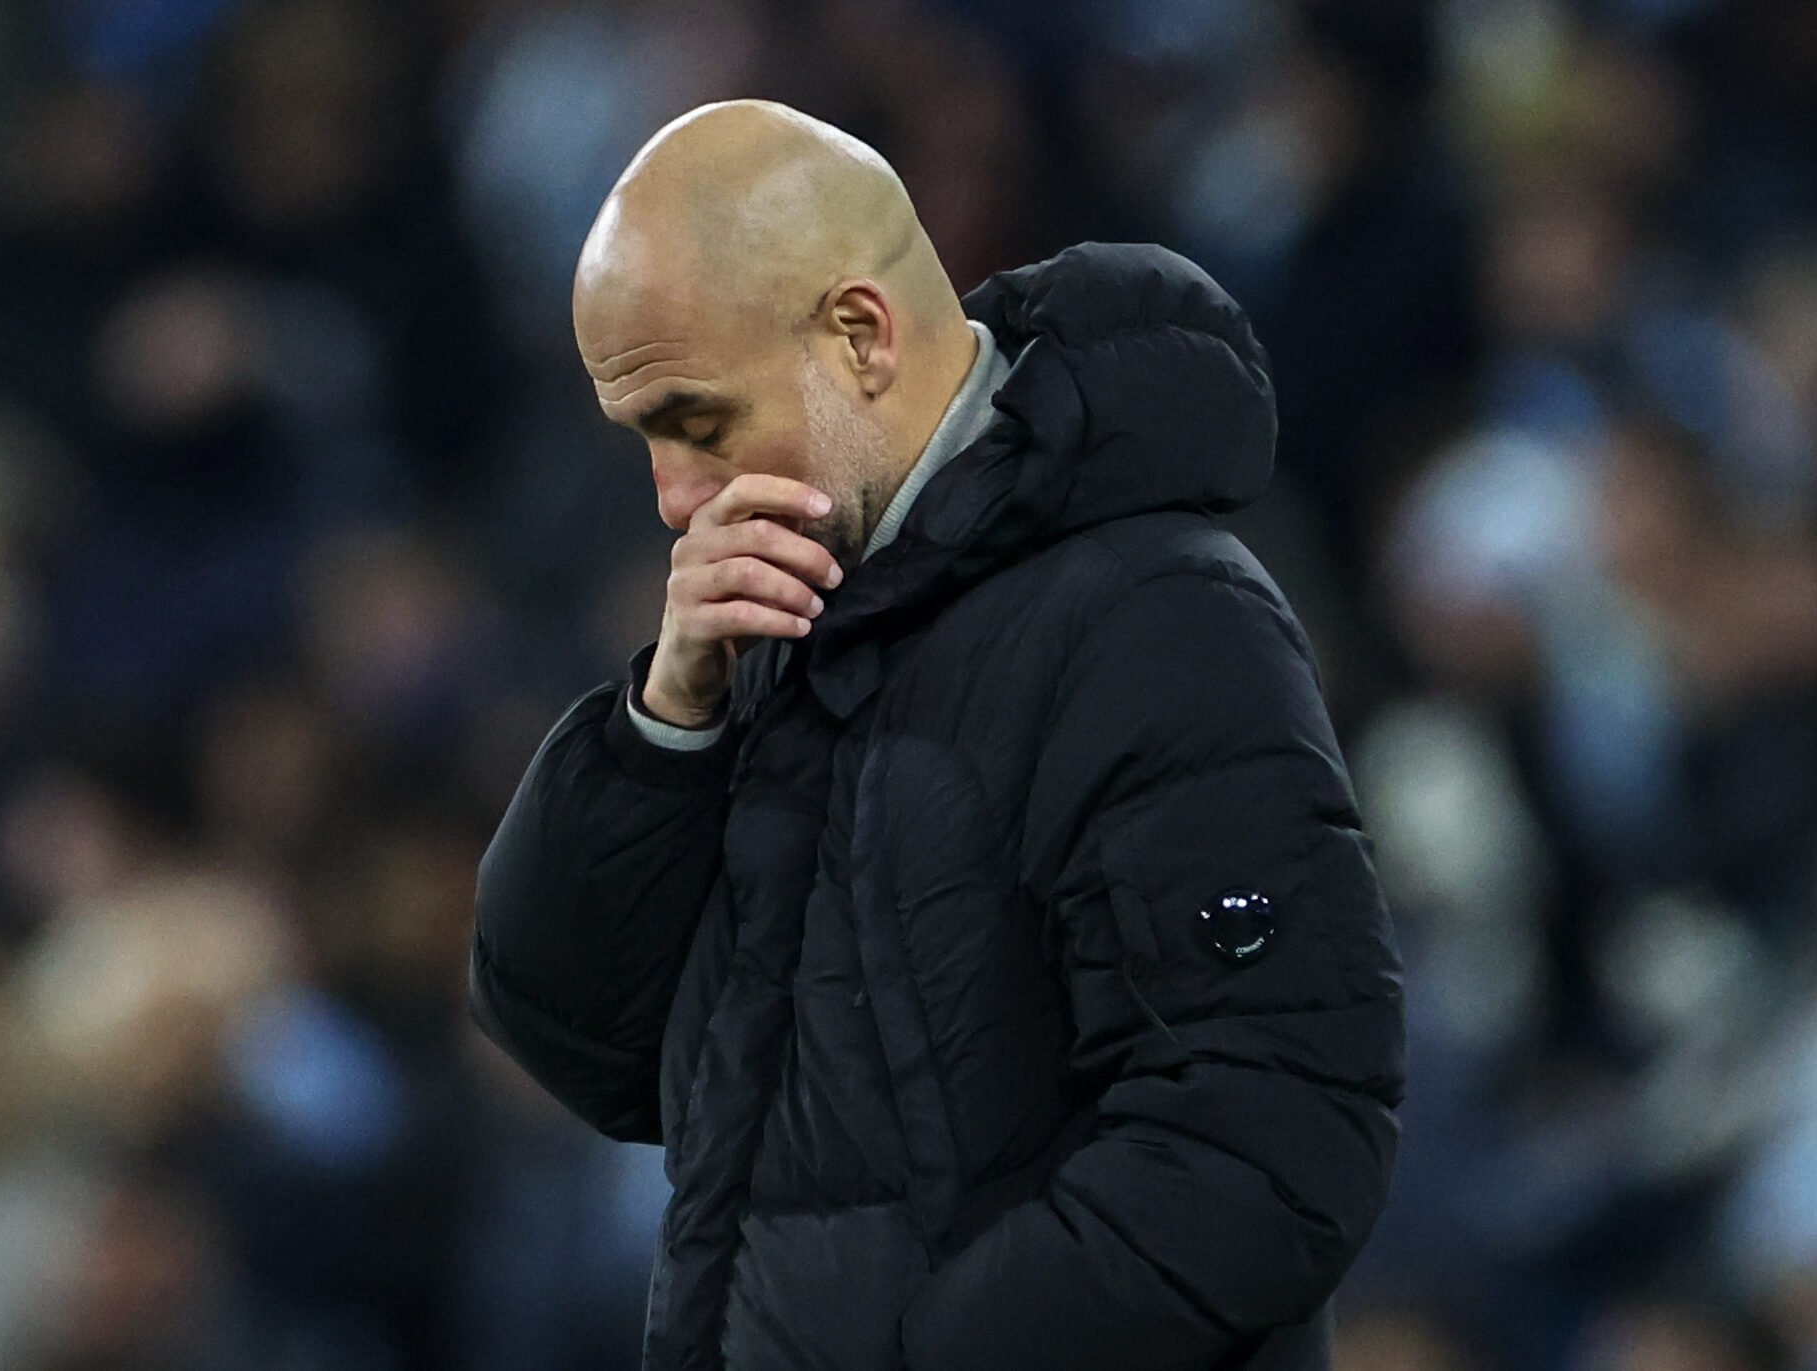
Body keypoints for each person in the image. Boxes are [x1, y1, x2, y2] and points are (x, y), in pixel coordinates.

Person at [470, 99, 1404, 1371]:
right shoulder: (775, 635)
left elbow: (1268, 1143)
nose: (675, 499)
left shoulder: (1159, 618)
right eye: (645, 442)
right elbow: (585, 1049)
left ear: (860, 335)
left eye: (696, 424)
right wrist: (662, 728)